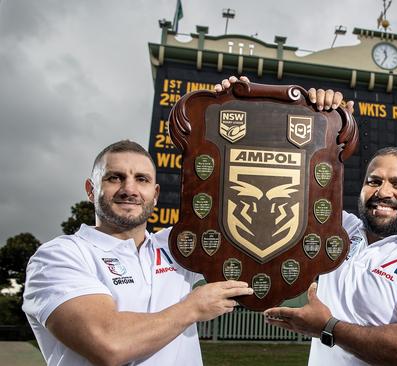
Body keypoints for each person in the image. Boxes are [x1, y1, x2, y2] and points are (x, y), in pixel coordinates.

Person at [22, 139, 254, 366]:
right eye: (115, 177)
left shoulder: (177, 245)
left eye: (141, 179)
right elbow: (109, 344)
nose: (129, 190)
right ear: (91, 190)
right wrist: (193, 308)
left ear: (155, 194)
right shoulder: (59, 256)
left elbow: (246, 214)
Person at [265, 146, 397, 366]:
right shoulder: (339, 229)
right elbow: (283, 182)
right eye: (374, 181)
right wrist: (325, 113)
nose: (383, 192)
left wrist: (328, 327)